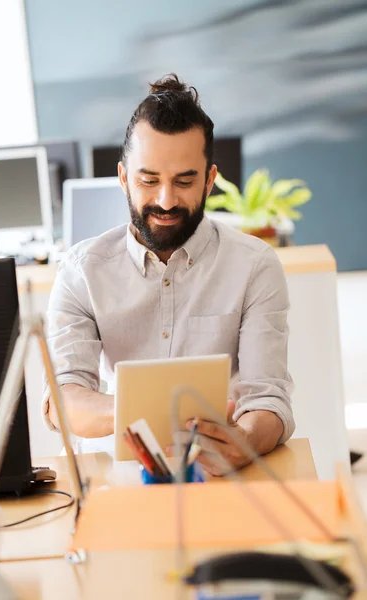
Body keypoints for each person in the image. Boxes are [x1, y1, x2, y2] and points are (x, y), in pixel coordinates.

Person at [44, 74, 294, 476]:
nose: (165, 200)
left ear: (210, 180)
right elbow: (63, 400)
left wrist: (243, 441)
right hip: (118, 474)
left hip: (221, 473)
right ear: (124, 177)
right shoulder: (81, 271)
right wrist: (146, 410)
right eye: (149, 180)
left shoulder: (255, 265)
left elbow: (269, 400)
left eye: (184, 181)